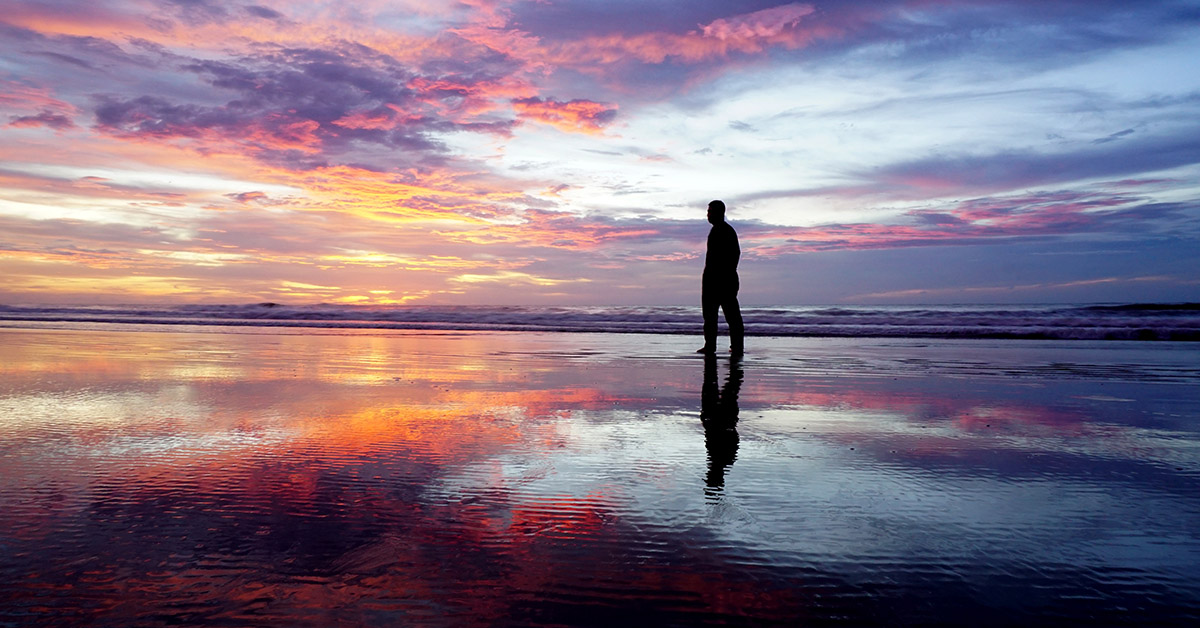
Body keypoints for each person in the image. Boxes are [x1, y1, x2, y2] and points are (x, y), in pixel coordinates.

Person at [698, 199, 744, 355]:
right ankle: (711, 345)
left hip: (722, 281)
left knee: (731, 316)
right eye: (708, 211)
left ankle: (736, 347)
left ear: (720, 213)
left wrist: (726, 273)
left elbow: (735, 254)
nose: (708, 214)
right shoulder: (717, 230)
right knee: (710, 316)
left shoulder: (725, 230)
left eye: (710, 211)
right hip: (713, 280)